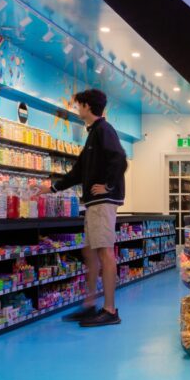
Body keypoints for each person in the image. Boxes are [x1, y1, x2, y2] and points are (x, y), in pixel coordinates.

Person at [40, 89, 127, 327]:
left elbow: (119, 158)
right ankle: (90, 305)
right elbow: (77, 172)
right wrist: (52, 188)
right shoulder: (93, 134)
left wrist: (108, 186)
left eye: (79, 104)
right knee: (90, 252)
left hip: (102, 202)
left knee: (105, 253)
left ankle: (110, 310)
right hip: (93, 203)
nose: (77, 108)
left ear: (87, 106)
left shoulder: (103, 130)